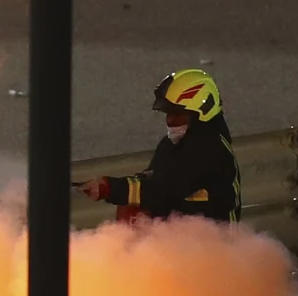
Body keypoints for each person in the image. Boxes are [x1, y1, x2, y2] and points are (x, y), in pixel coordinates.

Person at [79, 68, 241, 223]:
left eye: (177, 114)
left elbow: (165, 189)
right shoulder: (170, 145)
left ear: (202, 112)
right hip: (182, 240)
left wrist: (110, 188)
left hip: (214, 244)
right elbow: (154, 181)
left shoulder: (211, 151)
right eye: (168, 113)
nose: (169, 120)